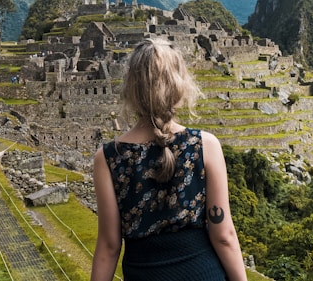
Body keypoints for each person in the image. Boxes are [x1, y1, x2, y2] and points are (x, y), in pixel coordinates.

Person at [91, 38, 247, 281]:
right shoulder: (204, 146)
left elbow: (109, 247)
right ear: (179, 86)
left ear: (132, 88)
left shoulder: (109, 157)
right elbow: (224, 234)